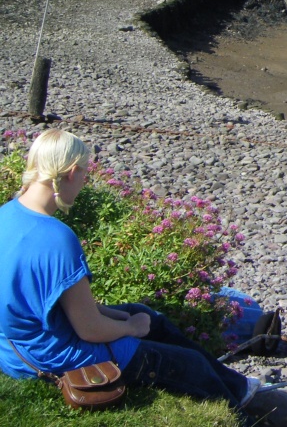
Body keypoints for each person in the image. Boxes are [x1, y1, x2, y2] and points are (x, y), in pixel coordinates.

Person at [0, 130, 265, 416]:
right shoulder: (56, 238)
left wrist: (122, 315)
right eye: (85, 174)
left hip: (14, 349)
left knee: (145, 314)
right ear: (72, 172)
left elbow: (50, 301)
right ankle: (248, 410)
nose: (84, 183)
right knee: (192, 366)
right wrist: (130, 328)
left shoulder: (7, 214)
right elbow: (89, 330)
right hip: (51, 357)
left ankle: (240, 388)